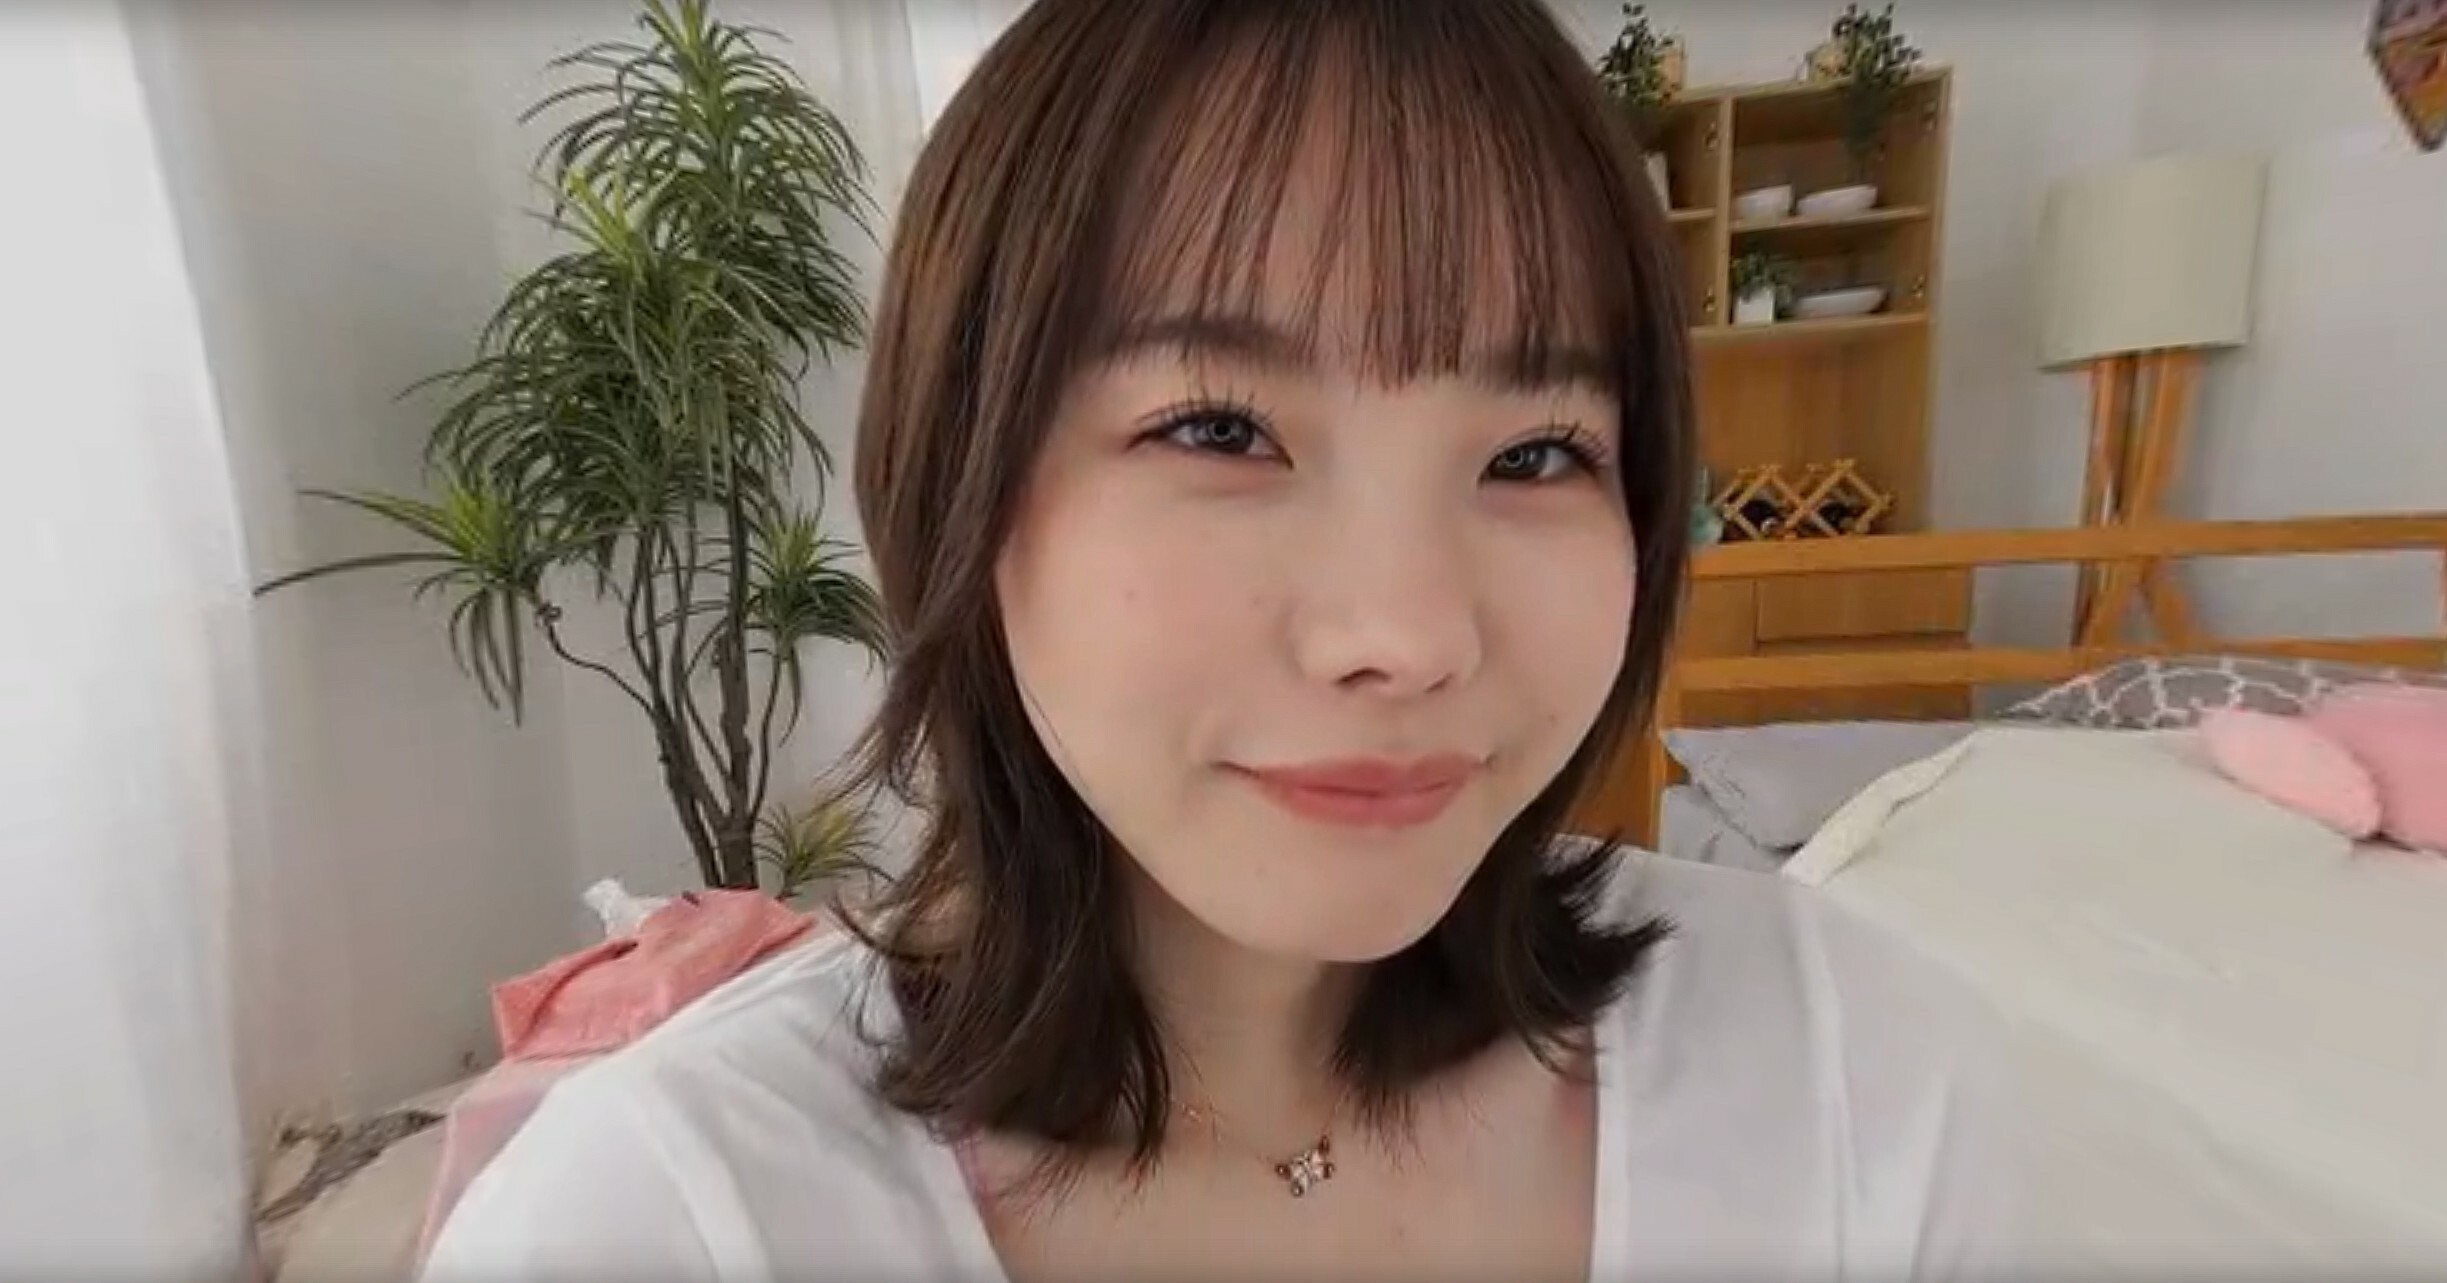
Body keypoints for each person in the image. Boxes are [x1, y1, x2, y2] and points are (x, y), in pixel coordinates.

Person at [420, 0, 2018, 1278]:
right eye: (1220, 429)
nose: (1403, 636)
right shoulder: (665, 1222)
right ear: (962, 484)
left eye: (1537, 453)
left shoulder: (1849, 1073)